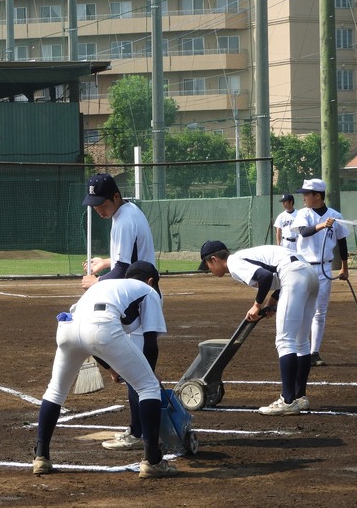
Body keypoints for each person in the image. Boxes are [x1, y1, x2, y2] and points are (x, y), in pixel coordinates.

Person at [33, 261, 177, 478]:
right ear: (151, 281)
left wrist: (111, 369)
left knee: (55, 391)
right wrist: (150, 374)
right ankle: (153, 461)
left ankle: (40, 457)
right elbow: (149, 341)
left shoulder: (110, 287)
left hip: (68, 328)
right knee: (148, 387)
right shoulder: (149, 291)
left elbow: (92, 334)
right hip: (100, 327)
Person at [81, 173, 157, 451]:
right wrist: (106, 262)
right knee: (136, 367)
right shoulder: (127, 214)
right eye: (94, 204)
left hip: (136, 298)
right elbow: (128, 258)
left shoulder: (124, 220)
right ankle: (139, 428)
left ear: (116, 197)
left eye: (102, 202)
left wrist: (96, 282)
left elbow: (124, 271)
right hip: (141, 295)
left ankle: (139, 433)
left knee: (135, 368)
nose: (98, 208)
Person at [198, 240, 319, 415]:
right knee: (301, 342)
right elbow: (280, 270)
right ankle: (299, 397)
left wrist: (257, 305)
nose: (209, 269)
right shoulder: (246, 255)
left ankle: (287, 400)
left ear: (215, 259)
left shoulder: (234, 262)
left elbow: (265, 276)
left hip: (293, 275)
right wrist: (274, 299)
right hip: (309, 274)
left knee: (285, 341)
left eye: (208, 265)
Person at [290, 178, 349, 366]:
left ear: (318, 196)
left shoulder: (335, 215)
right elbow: (304, 232)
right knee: (300, 309)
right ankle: (299, 349)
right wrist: (322, 225)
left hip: (325, 267)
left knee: (319, 312)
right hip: (304, 267)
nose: (303, 197)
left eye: (306, 194)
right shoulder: (303, 214)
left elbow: (342, 242)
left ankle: (314, 352)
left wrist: (344, 267)